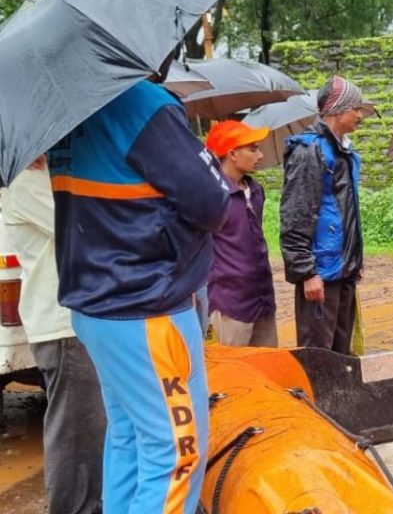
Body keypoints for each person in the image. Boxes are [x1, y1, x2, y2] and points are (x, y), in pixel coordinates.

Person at [46, 55, 229, 513]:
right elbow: (212, 202)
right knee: (176, 452)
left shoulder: (72, 109)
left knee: (129, 436)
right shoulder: (142, 102)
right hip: (146, 304)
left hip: (98, 304)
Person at [3, 157, 105, 514]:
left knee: (95, 431)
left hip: (81, 319)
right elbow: (82, 230)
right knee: (76, 436)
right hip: (63, 324)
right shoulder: (22, 182)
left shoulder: (52, 174)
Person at [281, 75, 371, 353]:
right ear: (339, 109)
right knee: (319, 357)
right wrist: (307, 272)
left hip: (343, 270)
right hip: (321, 271)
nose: (360, 115)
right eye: (356, 108)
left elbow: (347, 213)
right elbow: (295, 215)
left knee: (342, 354)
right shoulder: (310, 151)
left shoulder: (344, 151)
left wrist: (354, 259)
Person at [204, 120, 277, 347]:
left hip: (262, 298)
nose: (260, 156)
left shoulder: (256, 191)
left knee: (269, 364)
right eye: (253, 149)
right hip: (230, 303)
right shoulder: (210, 195)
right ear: (232, 154)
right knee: (231, 366)